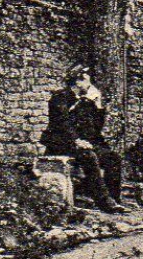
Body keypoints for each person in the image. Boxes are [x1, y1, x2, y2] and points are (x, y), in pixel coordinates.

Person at [42, 65, 125, 212]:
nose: (90, 85)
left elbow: (95, 128)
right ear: (77, 82)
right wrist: (76, 140)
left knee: (113, 158)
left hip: (81, 143)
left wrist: (98, 105)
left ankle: (114, 200)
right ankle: (104, 202)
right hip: (61, 143)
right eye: (87, 81)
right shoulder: (60, 98)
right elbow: (62, 122)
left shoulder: (85, 102)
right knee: (89, 156)